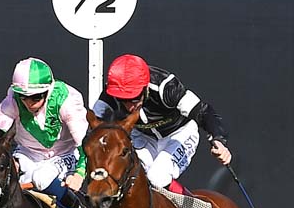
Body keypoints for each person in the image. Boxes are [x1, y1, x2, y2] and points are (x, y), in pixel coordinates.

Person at [91, 54, 232, 193]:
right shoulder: (110, 94)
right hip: (142, 136)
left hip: (179, 133)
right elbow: (92, 130)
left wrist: (218, 140)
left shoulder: (165, 86)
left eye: (133, 97)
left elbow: (203, 111)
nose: (129, 106)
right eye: (122, 99)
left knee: (157, 177)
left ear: (145, 87)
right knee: (128, 175)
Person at [0, 57, 87, 208]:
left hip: (65, 154)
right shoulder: (11, 100)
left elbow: (85, 143)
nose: (29, 102)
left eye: (36, 96)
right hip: (28, 154)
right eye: (23, 96)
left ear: (48, 89)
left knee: (41, 177)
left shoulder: (67, 100)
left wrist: (79, 173)